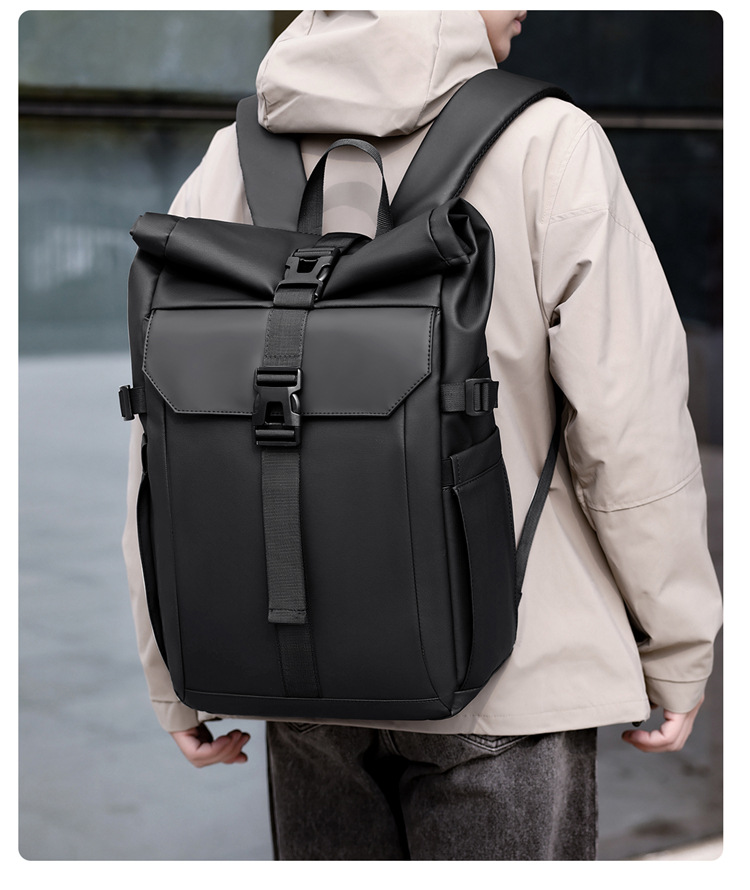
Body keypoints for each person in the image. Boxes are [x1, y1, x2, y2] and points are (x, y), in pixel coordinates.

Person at [122, 10, 722, 859]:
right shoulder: (549, 142)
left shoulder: (235, 154)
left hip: (300, 670)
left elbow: (163, 443)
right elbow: (630, 425)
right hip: (512, 679)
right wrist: (679, 646)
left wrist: (170, 671)